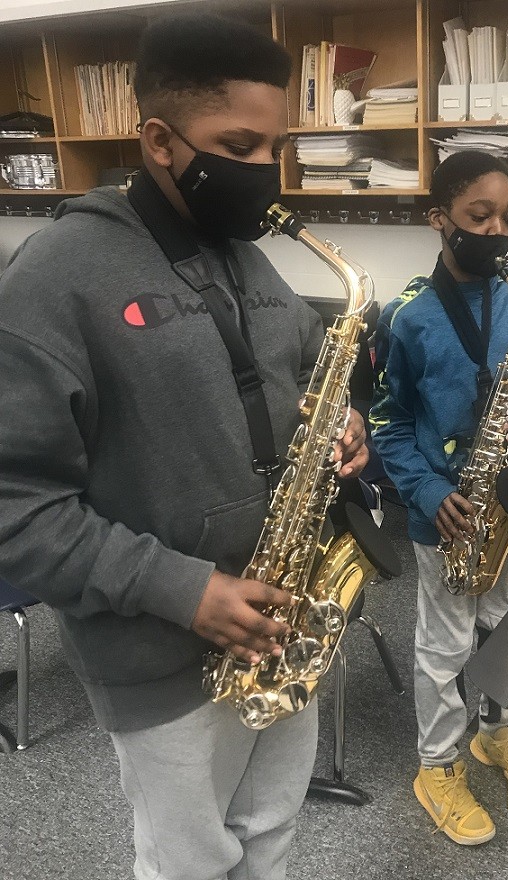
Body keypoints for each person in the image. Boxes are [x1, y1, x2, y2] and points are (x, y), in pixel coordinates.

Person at [0, 14, 369, 880]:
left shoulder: (250, 254)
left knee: (271, 838)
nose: (261, 173)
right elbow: (15, 506)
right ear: (159, 140)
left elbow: (297, 364)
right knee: (188, 864)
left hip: (282, 623)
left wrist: (338, 419)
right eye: (237, 144)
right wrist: (185, 590)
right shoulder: (55, 274)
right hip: (160, 651)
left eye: (273, 146)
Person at [370, 150, 508, 845]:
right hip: (448, 510)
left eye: (507, 218)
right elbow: (386, 421)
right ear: (439, 220)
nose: (496, 231)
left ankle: (497, 732)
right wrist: (425, 490)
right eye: (478, 217)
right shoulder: (408, 316)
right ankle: (436, 766)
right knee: (445, 645)